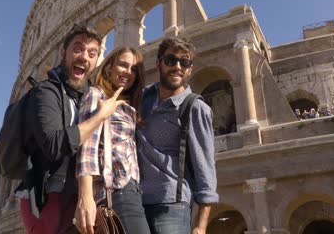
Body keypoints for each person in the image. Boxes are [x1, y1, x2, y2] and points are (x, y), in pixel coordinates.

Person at [15, 24, 125, 234]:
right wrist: (101, 116)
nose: (85, 57)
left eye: (92, 53)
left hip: (76, 194)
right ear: (63, 52)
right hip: (47, 195)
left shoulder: (86, 96)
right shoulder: (45, 92)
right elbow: (54, 145)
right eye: (78, 49)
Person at [137, 37, 219, 234]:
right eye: (170, 60)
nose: (177, 67)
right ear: (159, 63)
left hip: (171, 204)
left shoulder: (195, 108)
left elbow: (205, 166)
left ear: (190, 69)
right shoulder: (143, 98)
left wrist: (200, 226)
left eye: (185, 62)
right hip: (135, 202)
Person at [74, 47, 150, 234]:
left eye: (133, 69)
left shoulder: (127, 105)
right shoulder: (96, 94)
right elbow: (87, 146)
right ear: (109, 67)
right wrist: (85, 196)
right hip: (116, 190)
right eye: (123, 65)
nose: (128, 72)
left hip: (130, 191)